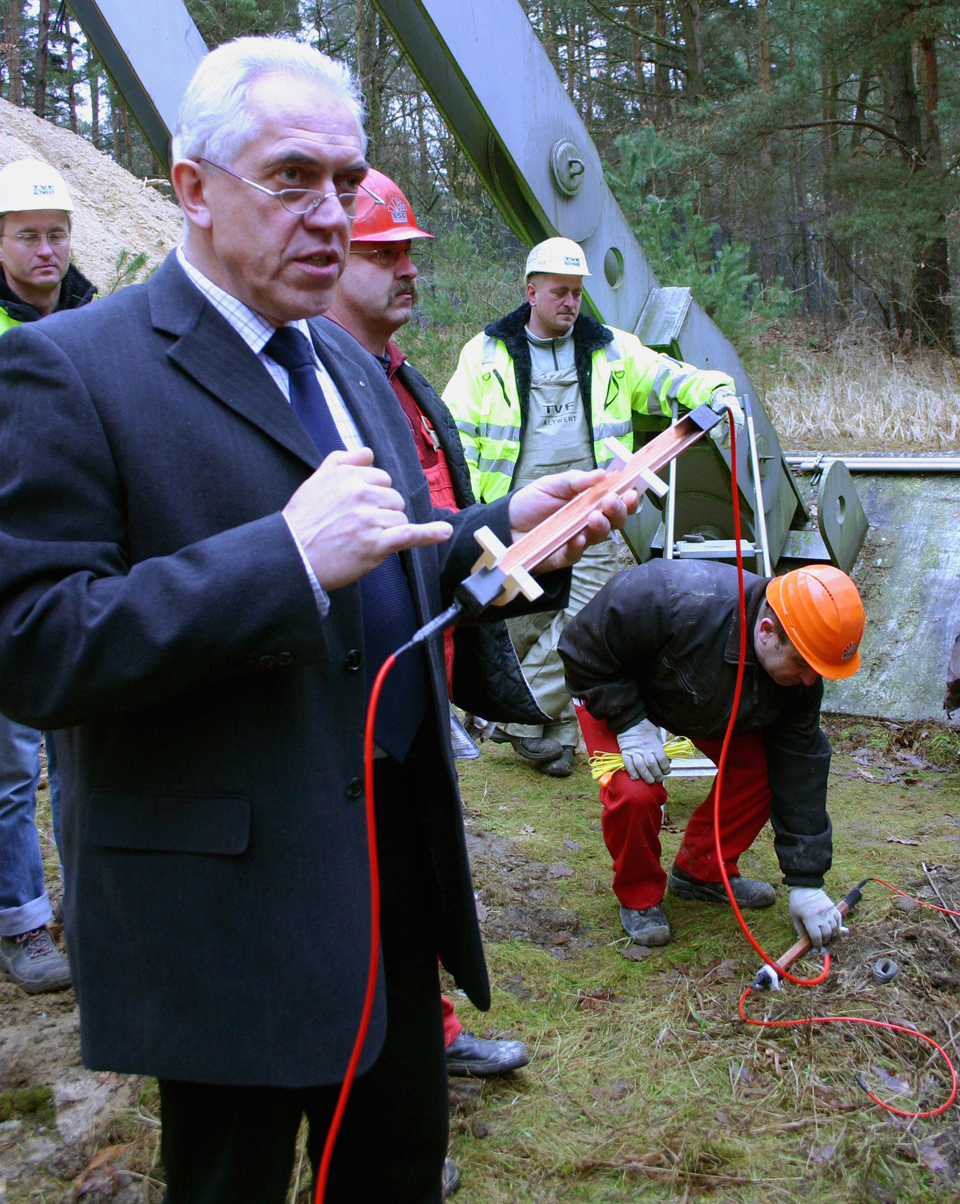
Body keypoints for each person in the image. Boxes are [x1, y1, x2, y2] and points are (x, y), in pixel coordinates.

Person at [0, 37, 634, 1204]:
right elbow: (36, 642)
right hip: (228, 905)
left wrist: (508, 534)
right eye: (295, 178)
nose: (334, 212)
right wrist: (283, 557)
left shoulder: (344, 360)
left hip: (389, 879)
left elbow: (396, 563)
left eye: (347, 179)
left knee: (395, 1170)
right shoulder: (70, 370)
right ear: (193, 187)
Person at [327, 171, 535, 1197]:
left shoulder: (396, 372)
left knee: (415, 882)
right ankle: (375, 1088)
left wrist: (518, 531)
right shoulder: (326, 385)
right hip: (368, 696)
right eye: (384, 251)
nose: (407, 266)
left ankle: (425, 1038)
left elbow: (435, 521)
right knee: (369, 893)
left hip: (431, 657)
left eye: (411, 248)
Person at [443, 237, 741, 777]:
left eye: (578, 292)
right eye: (560, 292)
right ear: (531, 292)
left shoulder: (612, 349)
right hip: (511, 519)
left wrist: (713, 387)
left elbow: (666, 379)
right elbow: (454, 433)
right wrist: (468, 512)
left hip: (593, 517)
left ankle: (516, 723)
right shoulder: (482, 354)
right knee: (514, 629)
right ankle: (550, 735)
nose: (571, 302)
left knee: (585, 625)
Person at [558, 561, 865, 948]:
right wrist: (630, 722)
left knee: (766, 769)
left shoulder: (801, 679)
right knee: (636, 792)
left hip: (700, 700)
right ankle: (639, 898)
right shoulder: (667, 597)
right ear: (767, 631)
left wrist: (806, 882)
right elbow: (579, 647)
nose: (809, 681)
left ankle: (701, 870)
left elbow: (799, 765)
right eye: (803, 664)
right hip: (615, 689)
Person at [0, 158, 92, 993]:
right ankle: (24, 922)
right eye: (27, 235)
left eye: (56, 234)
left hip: (80, 563)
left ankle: (92, 909)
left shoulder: (95, 318)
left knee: (81, 755)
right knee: (6, 761)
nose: (44, 251)